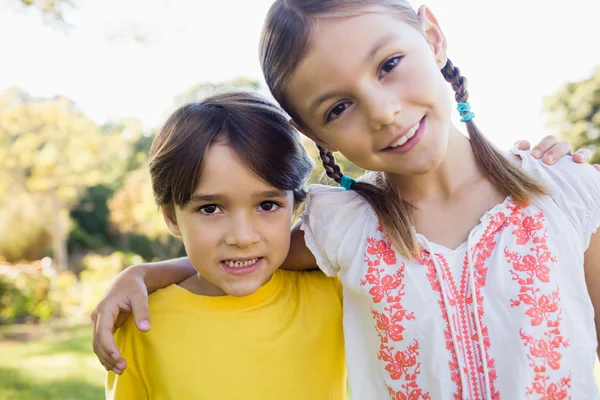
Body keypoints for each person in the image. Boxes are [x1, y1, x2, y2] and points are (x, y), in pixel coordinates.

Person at [94, 1, 600, 399]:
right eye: (337, 108)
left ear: (433, 37)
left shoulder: (567, 192)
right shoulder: (343, 229)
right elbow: (249, 249)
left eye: (389, 64)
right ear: (314, 133)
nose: (382, 111)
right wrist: (142, 274)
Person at [105, 91, 345, 400]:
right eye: (210, 209)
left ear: (295, 206)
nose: (242, 237)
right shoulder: (142, 324)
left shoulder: (333, 290)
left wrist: (145, 273)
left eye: (268, 205)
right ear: (172, 218)